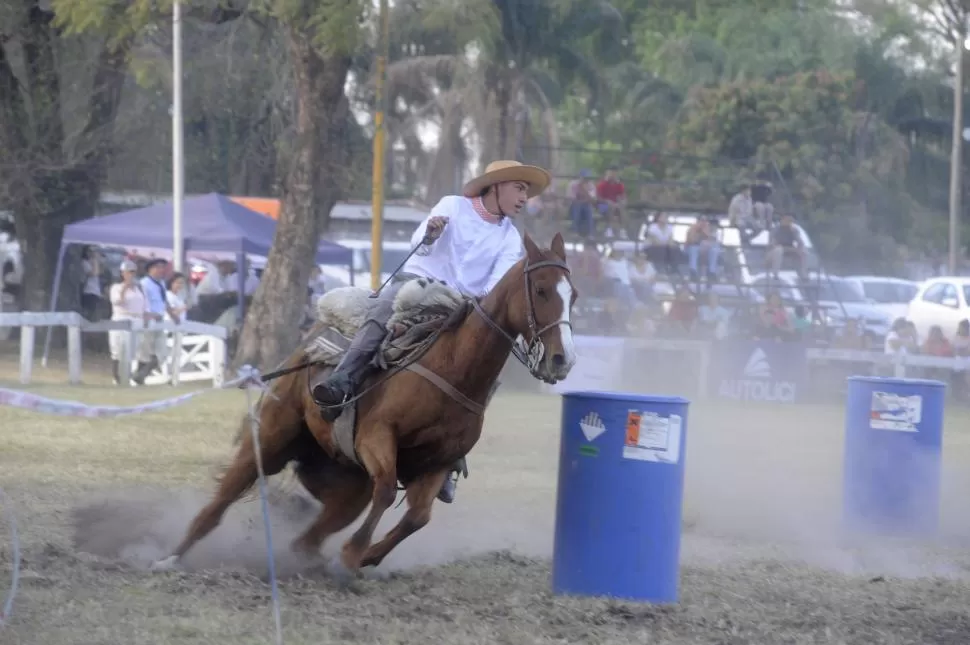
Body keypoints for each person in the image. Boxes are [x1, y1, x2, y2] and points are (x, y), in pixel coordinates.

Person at [310, 159, 552, 504]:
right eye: (519, 187)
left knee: (483, 368)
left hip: (463, 305)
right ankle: (343, 381)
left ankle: (451, 456)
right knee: (384, 310)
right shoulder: (452, 205)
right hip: (419, 285)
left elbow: (495, 284)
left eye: (526, 191)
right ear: (495, 186)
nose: (524, 197)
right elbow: (420, 244)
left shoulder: (509, 237)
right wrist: (431, 233)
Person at [108, 260, 149, 385]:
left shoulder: (140, 289)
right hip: (121, 318)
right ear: (123, 273)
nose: (131, 275)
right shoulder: (116, 287)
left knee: (134, 349)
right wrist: (124, 289)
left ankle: (130, 376)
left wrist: (145, 317)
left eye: (133, 272)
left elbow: (145, 306)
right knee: (117, 348)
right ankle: (116, 376)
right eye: (128, 272)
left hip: (136, 319)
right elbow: (117, 302)